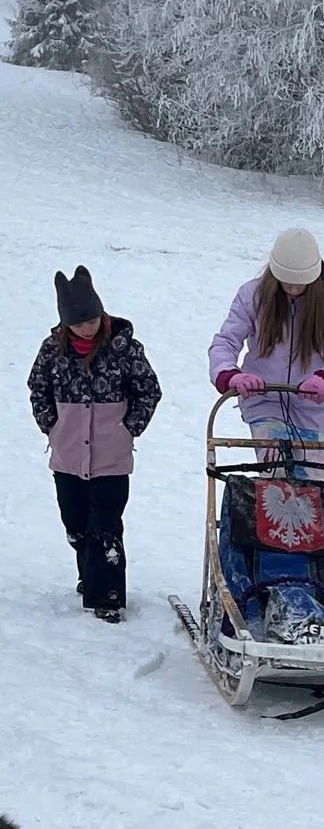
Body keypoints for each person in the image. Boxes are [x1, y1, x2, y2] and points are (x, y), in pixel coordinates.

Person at [27, 266, 161, 623]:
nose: (87, 327)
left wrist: (128, 427)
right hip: (68, 455)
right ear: (66, 323)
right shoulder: (51, 352)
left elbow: (149, 390)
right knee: (75, 521)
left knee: (106, 524)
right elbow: (37, 387)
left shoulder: (124, 350)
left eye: (92, 319)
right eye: (79, 322)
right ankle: (90, 572)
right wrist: (51, 427)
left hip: (111, 458)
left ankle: (108, 596)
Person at [208, 228, 324, 478]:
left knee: (314, 495)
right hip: (265, 406)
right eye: (286, 282)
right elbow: (224, 344)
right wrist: (231, 375)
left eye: (301, 284)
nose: (293, 289)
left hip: (315, 413)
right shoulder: (252, 296)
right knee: (276, 486)